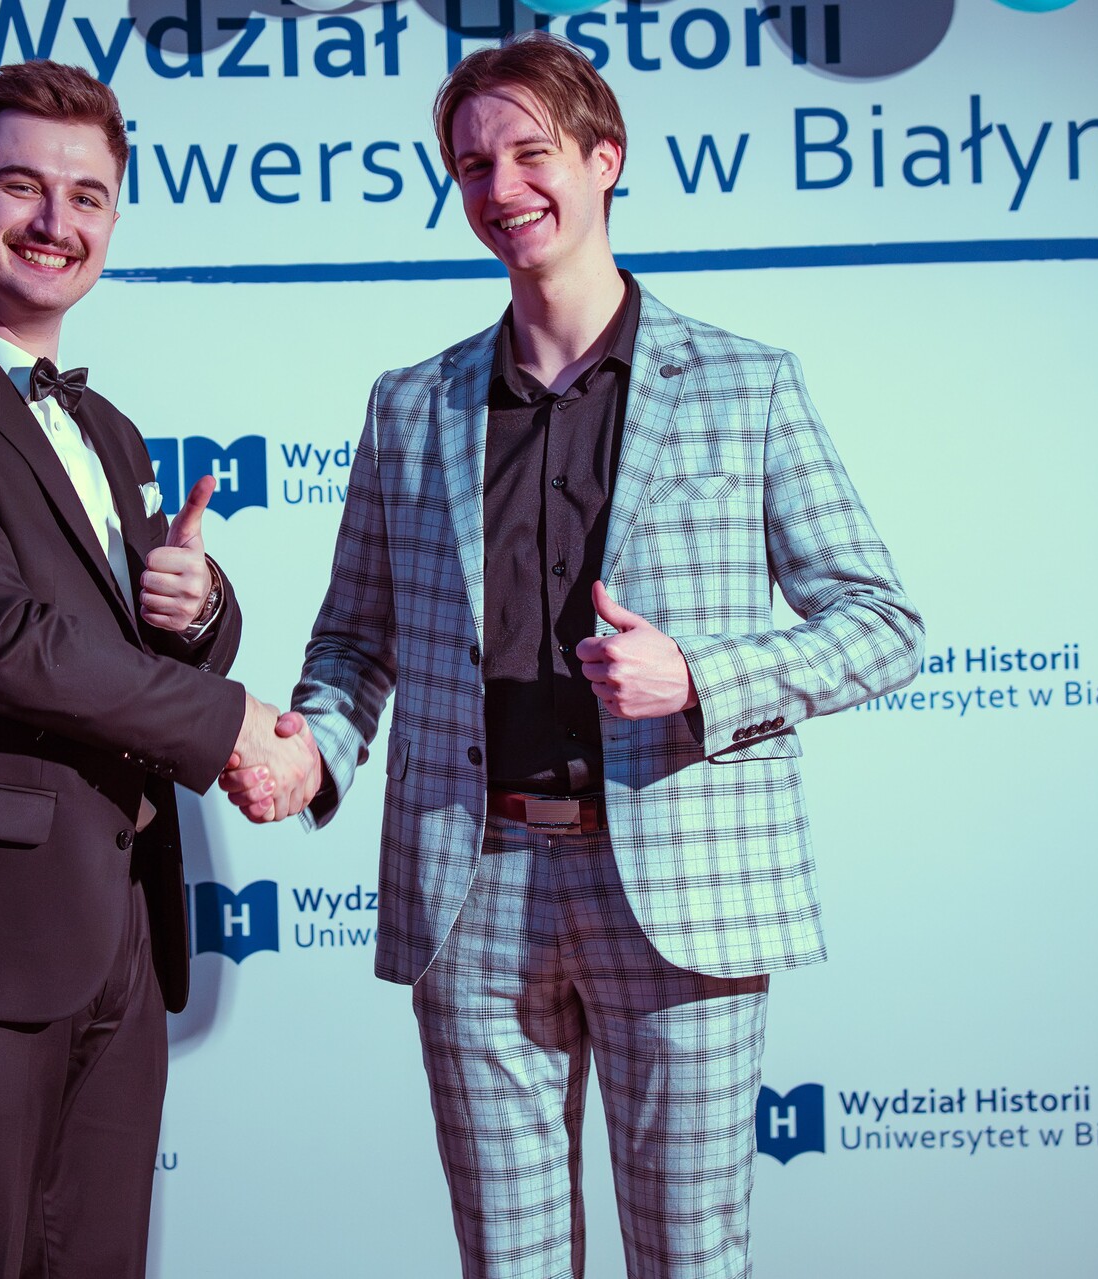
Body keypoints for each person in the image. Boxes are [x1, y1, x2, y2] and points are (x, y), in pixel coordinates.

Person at [223, 33, 924, 1279]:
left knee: (690, 1259)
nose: (501, 189)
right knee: (509, 1262)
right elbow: (355, 639)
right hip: (472, 883)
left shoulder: (745, 385)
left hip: (683, 887)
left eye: (530, 154)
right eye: (472, 166)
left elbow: (881, 621)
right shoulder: (410, 403)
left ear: (606, 159)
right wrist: (313, 752)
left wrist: (701, 677)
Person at [0, 60, 289, 1278]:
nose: (54, 221)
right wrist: (231, 722)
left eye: (87, 196)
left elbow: (123, 641)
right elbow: (7, 644)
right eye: (21, 186)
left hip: (116, 923)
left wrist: (198, 608)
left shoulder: (108, 428)